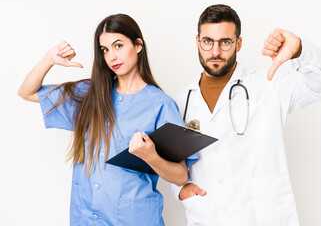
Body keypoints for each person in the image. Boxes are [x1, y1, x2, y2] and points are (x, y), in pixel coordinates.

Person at [18, 14, 197, 226]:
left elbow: (180, 176)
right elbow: (26, 92)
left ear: (138, 45)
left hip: (134, 220)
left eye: (118, 45)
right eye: (105, 50)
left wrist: (151, 157)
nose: (112, 56)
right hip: (84, 217)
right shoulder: (89, 94)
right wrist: (50, 59)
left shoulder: (161, 104)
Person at [171, 4, 321, 226]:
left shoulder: (267, 85)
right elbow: (173, 159)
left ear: (238, 44)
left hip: (259, 217)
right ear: (197, 42)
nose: (215, 51)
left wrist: (299, 48)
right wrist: (180, 190)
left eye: (225, 42)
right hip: (206, 216)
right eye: (207, 41)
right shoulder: (181, 100)